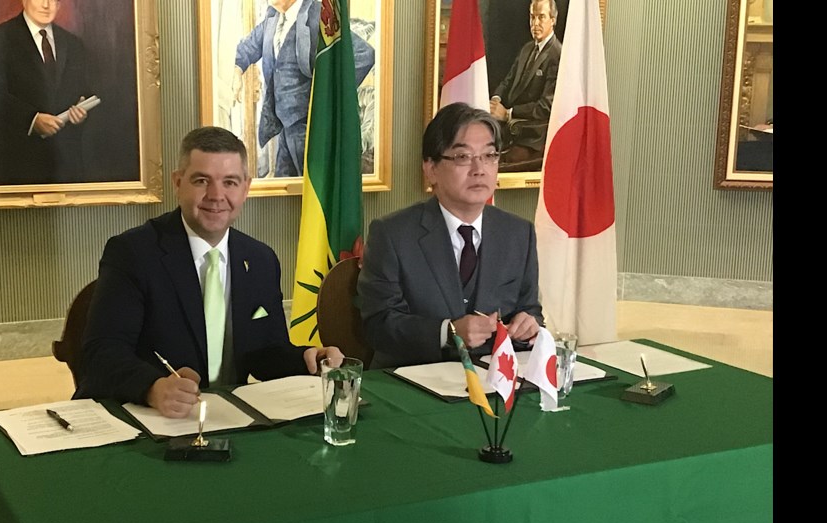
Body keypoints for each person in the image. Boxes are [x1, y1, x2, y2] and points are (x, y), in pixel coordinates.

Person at [74, 126, 343, 418]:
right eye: (202, 180)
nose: (216, 195)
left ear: (246, 188)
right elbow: (101, 352)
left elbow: (265, 354)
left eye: (230, 182)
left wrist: (304, 358)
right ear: (178, 183)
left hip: (230, 420)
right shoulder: (133, 252)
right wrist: (152, 387)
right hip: (153, 419)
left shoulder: (261, 259)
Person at [357, 102, 544, 369]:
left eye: (489, 156)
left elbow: (530, 309)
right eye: (463, 157)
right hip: (413, 384)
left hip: (492, 382)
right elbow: (378, 325)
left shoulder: (518, 233)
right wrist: (448, 332)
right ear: (431, 168)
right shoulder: (392, 235)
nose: (479, 169)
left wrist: (529, 324)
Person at [232, 0, 375, 178]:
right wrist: (237, 71)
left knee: (310, 186)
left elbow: (365, 54)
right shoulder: (272, 17)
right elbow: (249, 46)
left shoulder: (317, 15)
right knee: (283, 188)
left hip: (308, 127)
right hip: (282, 125)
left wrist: (329, 93)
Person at [0, 0, 92, 185]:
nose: (46, 5)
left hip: (68, 167)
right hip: (20, 163)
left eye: (53, 0)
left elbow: (85, 90)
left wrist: (81, 112)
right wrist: (32, 119)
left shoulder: (73, 43)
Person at [488, 0, 562, 167]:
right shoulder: (527, 49)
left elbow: (546, 107)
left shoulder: (557, 56)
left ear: (553, 20)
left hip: (532, 135)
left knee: (498, 162)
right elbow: (508, 81)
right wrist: (496, 100)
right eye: (532, 17)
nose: (535, 23)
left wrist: (508, 114)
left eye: (541, 17)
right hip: (509, 127)